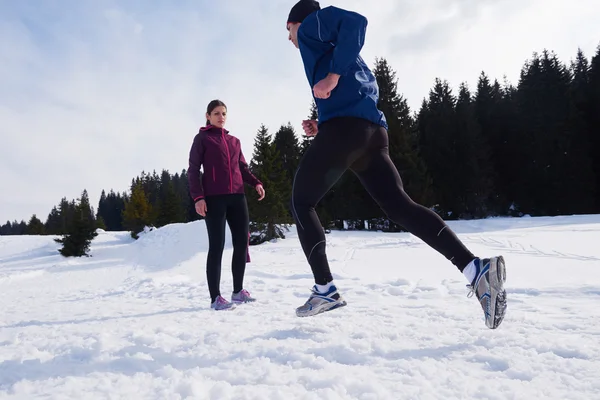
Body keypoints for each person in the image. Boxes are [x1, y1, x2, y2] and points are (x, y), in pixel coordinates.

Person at [285, 1, 507, 329]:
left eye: (287, 29)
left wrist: (331, 77)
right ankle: (476, 270)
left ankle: (324, 289)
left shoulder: (312, 26)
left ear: (297, 22)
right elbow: (354, 89)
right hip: (370, 133)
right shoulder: (329, 46)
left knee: (301, 202)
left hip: (348, 130)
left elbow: (356, 22)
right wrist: (323, 122)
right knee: (400, 208)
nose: (288, 37)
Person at [188, 99, 266, 311]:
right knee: (217, 246)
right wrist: (198, 197)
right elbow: (193, 170)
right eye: (216, 113)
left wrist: (256, 182)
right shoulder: (202, 139)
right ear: (208, 116)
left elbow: (242, 167)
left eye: (223, 113)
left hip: (237, 197)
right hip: (214, 199)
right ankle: (215, 298)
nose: (221, 117)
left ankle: (238, 292)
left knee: (241, 243)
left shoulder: (234, 141)